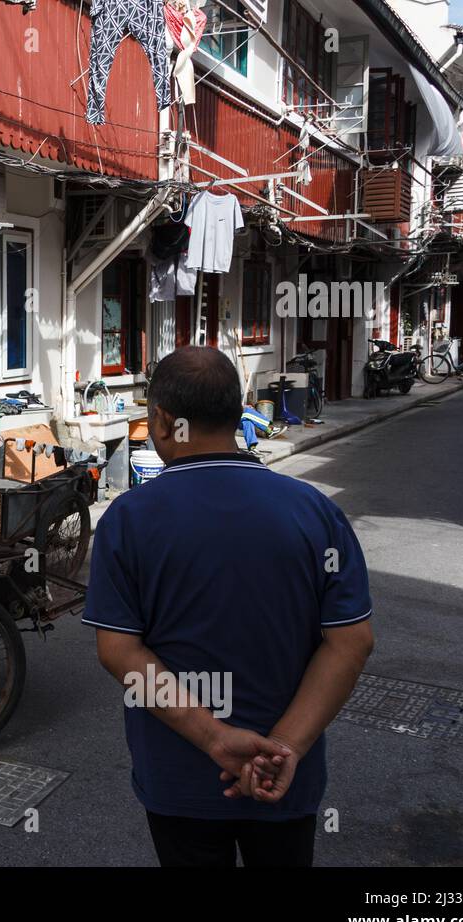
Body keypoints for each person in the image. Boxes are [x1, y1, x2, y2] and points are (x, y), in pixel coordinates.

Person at [85, 346, 374, 867]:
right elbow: (351, 642)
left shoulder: (127, 521)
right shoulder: (315, 511)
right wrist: (284, 746)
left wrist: (214, 737)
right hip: (285, 775)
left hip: (182, 779)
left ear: (166, 421)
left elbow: (119, 651)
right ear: (237, 411)